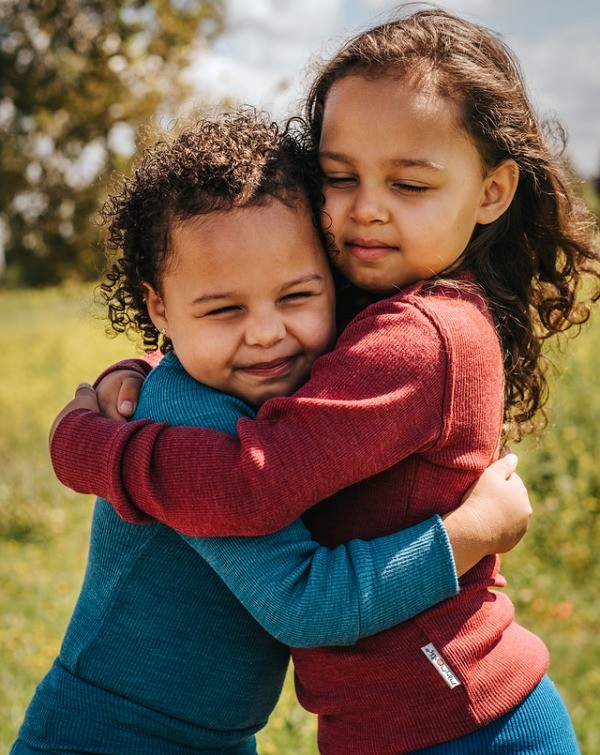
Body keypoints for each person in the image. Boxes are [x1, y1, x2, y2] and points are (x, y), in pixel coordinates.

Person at [48, 8, 599, 754]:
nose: (367, 208)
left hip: (462, 723)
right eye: (340, 177)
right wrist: (140, 370)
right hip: (405, 720)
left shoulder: (415, 337)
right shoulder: (367, 307)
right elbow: (225, 374)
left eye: (409, 182)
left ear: (493, 190)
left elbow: (252, 484)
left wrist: (88, 444)